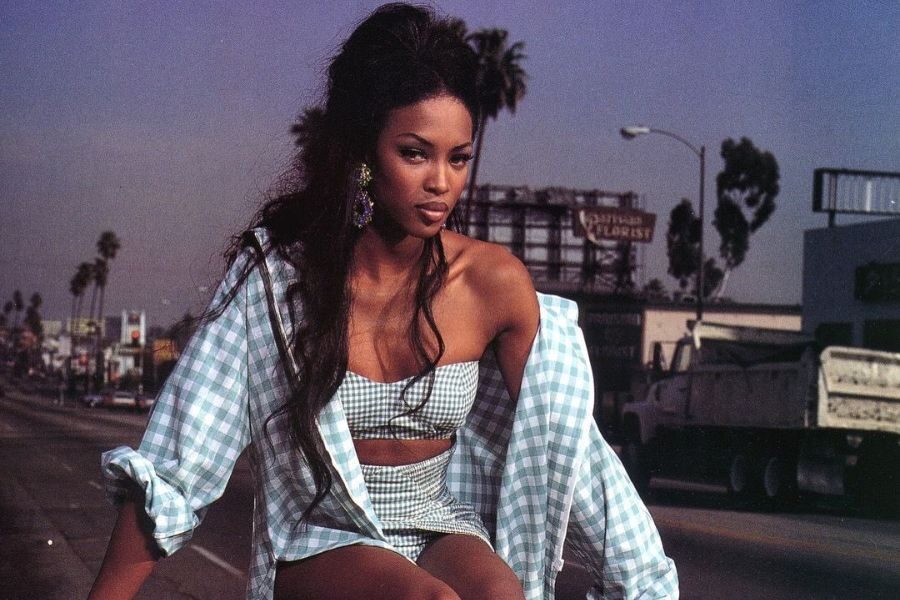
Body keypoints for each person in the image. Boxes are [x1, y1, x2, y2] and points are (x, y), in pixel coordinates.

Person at [89, 4, 678, 599]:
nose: (442, 183)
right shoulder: (280, 281)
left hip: (438, 520)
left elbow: (575, 454)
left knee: (503, 594)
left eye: (459, 157)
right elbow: (180, 461)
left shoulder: (491, 284)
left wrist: (646, 582)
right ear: (364, 154)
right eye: (415, 153)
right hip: (321, 533)